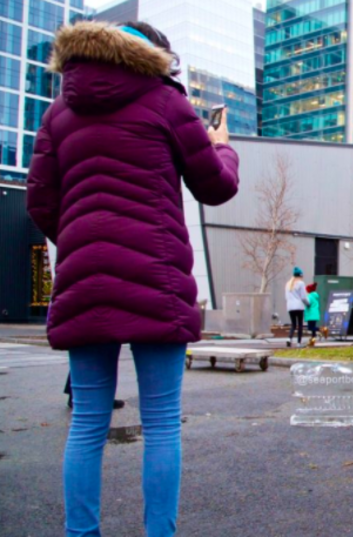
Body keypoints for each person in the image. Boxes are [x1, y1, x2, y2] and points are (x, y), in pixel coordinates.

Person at [26, 21, 239, 537]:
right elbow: (217, 187)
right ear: (155, 56)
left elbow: (39, 203)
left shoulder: (57, 114)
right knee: (162, 421)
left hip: (85, 282)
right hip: (156, 277)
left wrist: (83, 244)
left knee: (87, 422)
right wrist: (223, 146)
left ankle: (81, 533)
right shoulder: (168, 104)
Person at [285, 267, 310, 347]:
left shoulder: (288, 284)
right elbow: (303, 297)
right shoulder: (300, 283)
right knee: (300, 325)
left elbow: (286, 297)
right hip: (299, 306)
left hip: (290, 306)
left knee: (293, 324)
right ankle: (299, 343)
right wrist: (308, 304)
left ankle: (289, 338)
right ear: (300, 276)